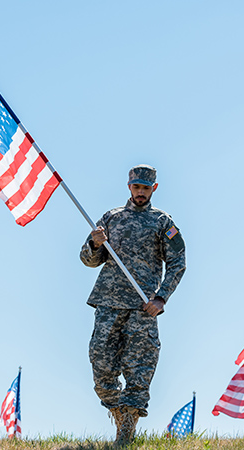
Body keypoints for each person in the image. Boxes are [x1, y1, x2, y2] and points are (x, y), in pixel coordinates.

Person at [80, 164, 187, 446]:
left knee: (139, 368)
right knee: (100, 364)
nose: (141, 192)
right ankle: (117, 411)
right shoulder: (112, 218)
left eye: (146, 188)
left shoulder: (162, 222)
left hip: (143, 307)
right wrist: (94, 243)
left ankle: (127, 426)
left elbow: (178, 262)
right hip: (108, 303)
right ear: (129, 186)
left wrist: (162, 297)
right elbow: (88, 260)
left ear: (154, 188)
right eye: (137, 187)